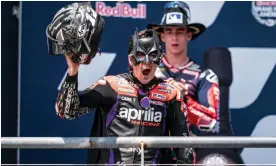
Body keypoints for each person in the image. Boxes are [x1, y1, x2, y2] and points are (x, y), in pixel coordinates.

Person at [47, 3, 191, 165]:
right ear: (130, 59)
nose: (146, 63)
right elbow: (66, 111)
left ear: (159, 59)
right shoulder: (111, 85)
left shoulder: (170, 93)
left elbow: (184, 147)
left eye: (152, 56)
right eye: (140, 56)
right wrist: (73, 71)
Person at [146, 1, 236, 164]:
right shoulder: (147, 71)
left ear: (189, 34)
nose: (174, 37)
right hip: (148, 150)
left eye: (180, 31)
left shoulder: (204, 76)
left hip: (184, 154)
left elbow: (211, 124)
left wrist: (183, 99)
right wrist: (162, 90)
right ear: (162, 35)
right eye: (169, 31)